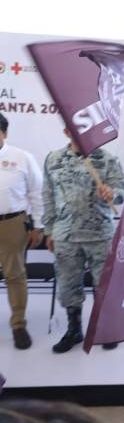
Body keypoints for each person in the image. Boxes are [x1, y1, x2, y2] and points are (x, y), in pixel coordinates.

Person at [43, 128, 124, 353]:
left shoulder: (107, 159)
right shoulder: (53, 159)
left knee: (104, 285)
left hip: (99, 234)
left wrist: (112, 193)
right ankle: (74, 329)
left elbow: (122, 191)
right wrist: (49, 230)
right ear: (65, 131)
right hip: (66, 235)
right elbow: (48, 196)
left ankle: (106, 328)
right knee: (68, 286)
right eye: (74, 130)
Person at [0, 112, 43, 350]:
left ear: (4, 133)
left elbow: (36, 193)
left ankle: (18, 325)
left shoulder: (22, 158)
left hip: (12, 223)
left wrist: (37, 226)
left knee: (15, 275)